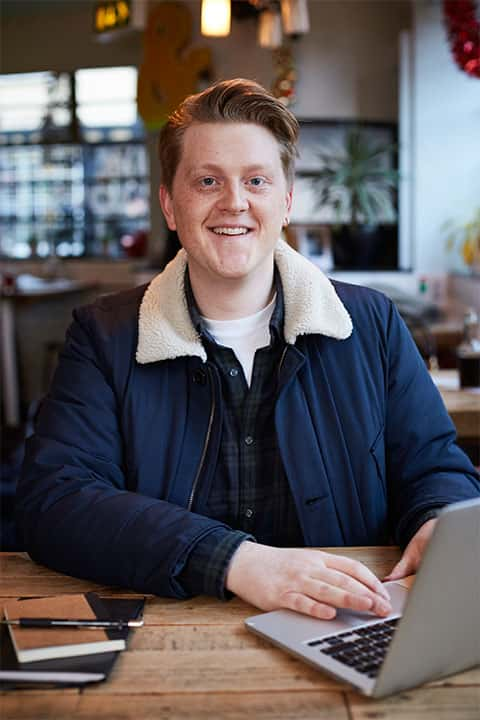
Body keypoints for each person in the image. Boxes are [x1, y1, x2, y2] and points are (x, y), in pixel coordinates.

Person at [17, 79, 479, 621]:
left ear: (285, 203)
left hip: (350, 617)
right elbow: (55, 501)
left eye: (256, 180)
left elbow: (433, 465)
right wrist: (235, 560)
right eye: (207, 180)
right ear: (170, 204)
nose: (234, 202)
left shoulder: (371, 323)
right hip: (174, 636)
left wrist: (440, 519)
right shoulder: (103, 335)